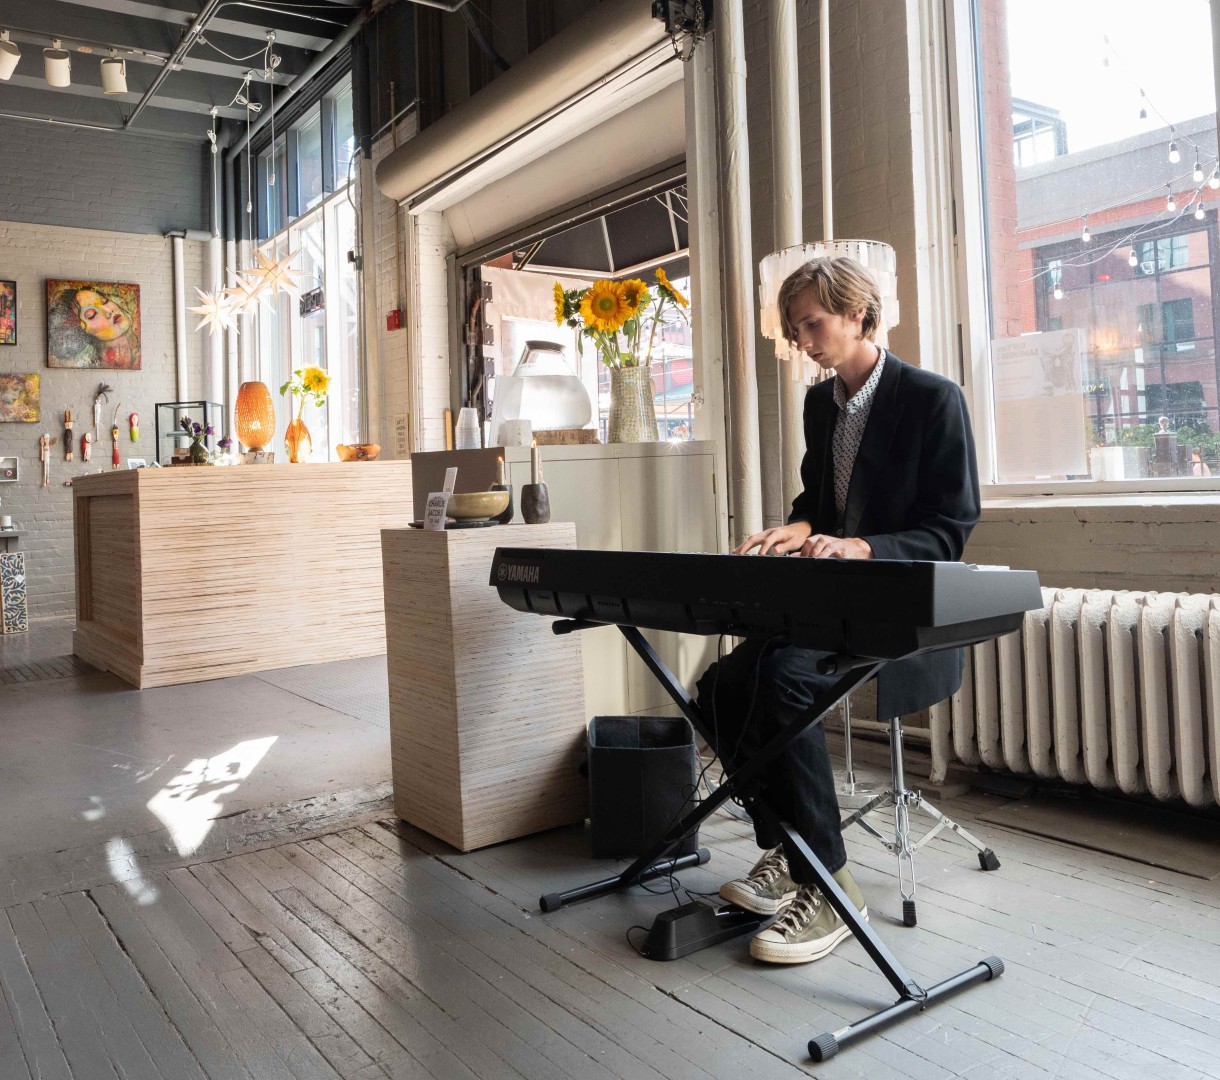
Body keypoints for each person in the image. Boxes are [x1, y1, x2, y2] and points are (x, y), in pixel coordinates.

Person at [696, 255, 980, 965]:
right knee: (721, 687)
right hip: (829, 600)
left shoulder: (933, 399)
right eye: (794, 328)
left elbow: (950, 529)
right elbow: (816, 504)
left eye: (811, 323)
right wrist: (795, 528)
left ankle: (831, 888)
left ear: (858, 313)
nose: (801, 340)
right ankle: (790, 851)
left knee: (783, 679)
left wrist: (862, 546)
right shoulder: (820, 405)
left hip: (897, 603)